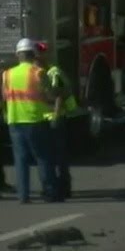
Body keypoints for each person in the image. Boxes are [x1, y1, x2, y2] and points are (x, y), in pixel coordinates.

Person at [2, 38, 58, 203]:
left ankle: (23, 196)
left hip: (14, 120)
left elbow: (4, 97)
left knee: (20, 160)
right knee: (42, 157)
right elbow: (49, 95)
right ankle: (49, 192)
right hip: (35, 120)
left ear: (17, 55)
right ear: (33, 55)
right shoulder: (38, 73)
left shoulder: (7, 74)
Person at [36, 41, 74, 200]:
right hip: (45, 119)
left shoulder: (53, 72)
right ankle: (57, 186)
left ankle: (64, 187)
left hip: (55, 119)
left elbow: (58, 96)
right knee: (51, 156)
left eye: (39, 56)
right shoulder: (40, 72)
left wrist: (56, 117)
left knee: (59, 156)